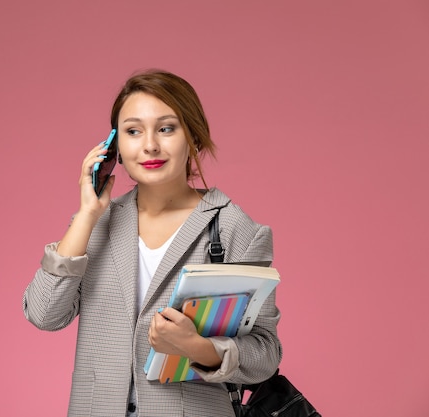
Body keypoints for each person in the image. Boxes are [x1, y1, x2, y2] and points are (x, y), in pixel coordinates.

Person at [23, 70, 282, 417]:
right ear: (114, 147)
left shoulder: (238, 230)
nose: (150, 145)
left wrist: (199, 348)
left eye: (166, 128)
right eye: (133, 131)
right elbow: (43, 314)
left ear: (193, 136)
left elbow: (265, 355)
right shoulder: (94, 224)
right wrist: (86, 215)